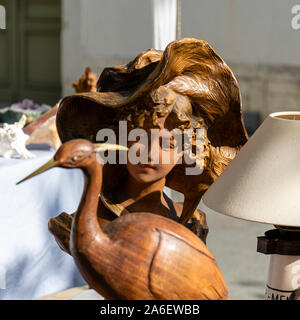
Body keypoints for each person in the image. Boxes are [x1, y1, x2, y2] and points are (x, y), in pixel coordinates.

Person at [50, 38, 248, 254]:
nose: (150, 154)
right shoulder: (86, 224)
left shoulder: (191, 225)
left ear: (187, 150)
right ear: (119, 137)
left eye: (168, 144)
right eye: (138, 138)